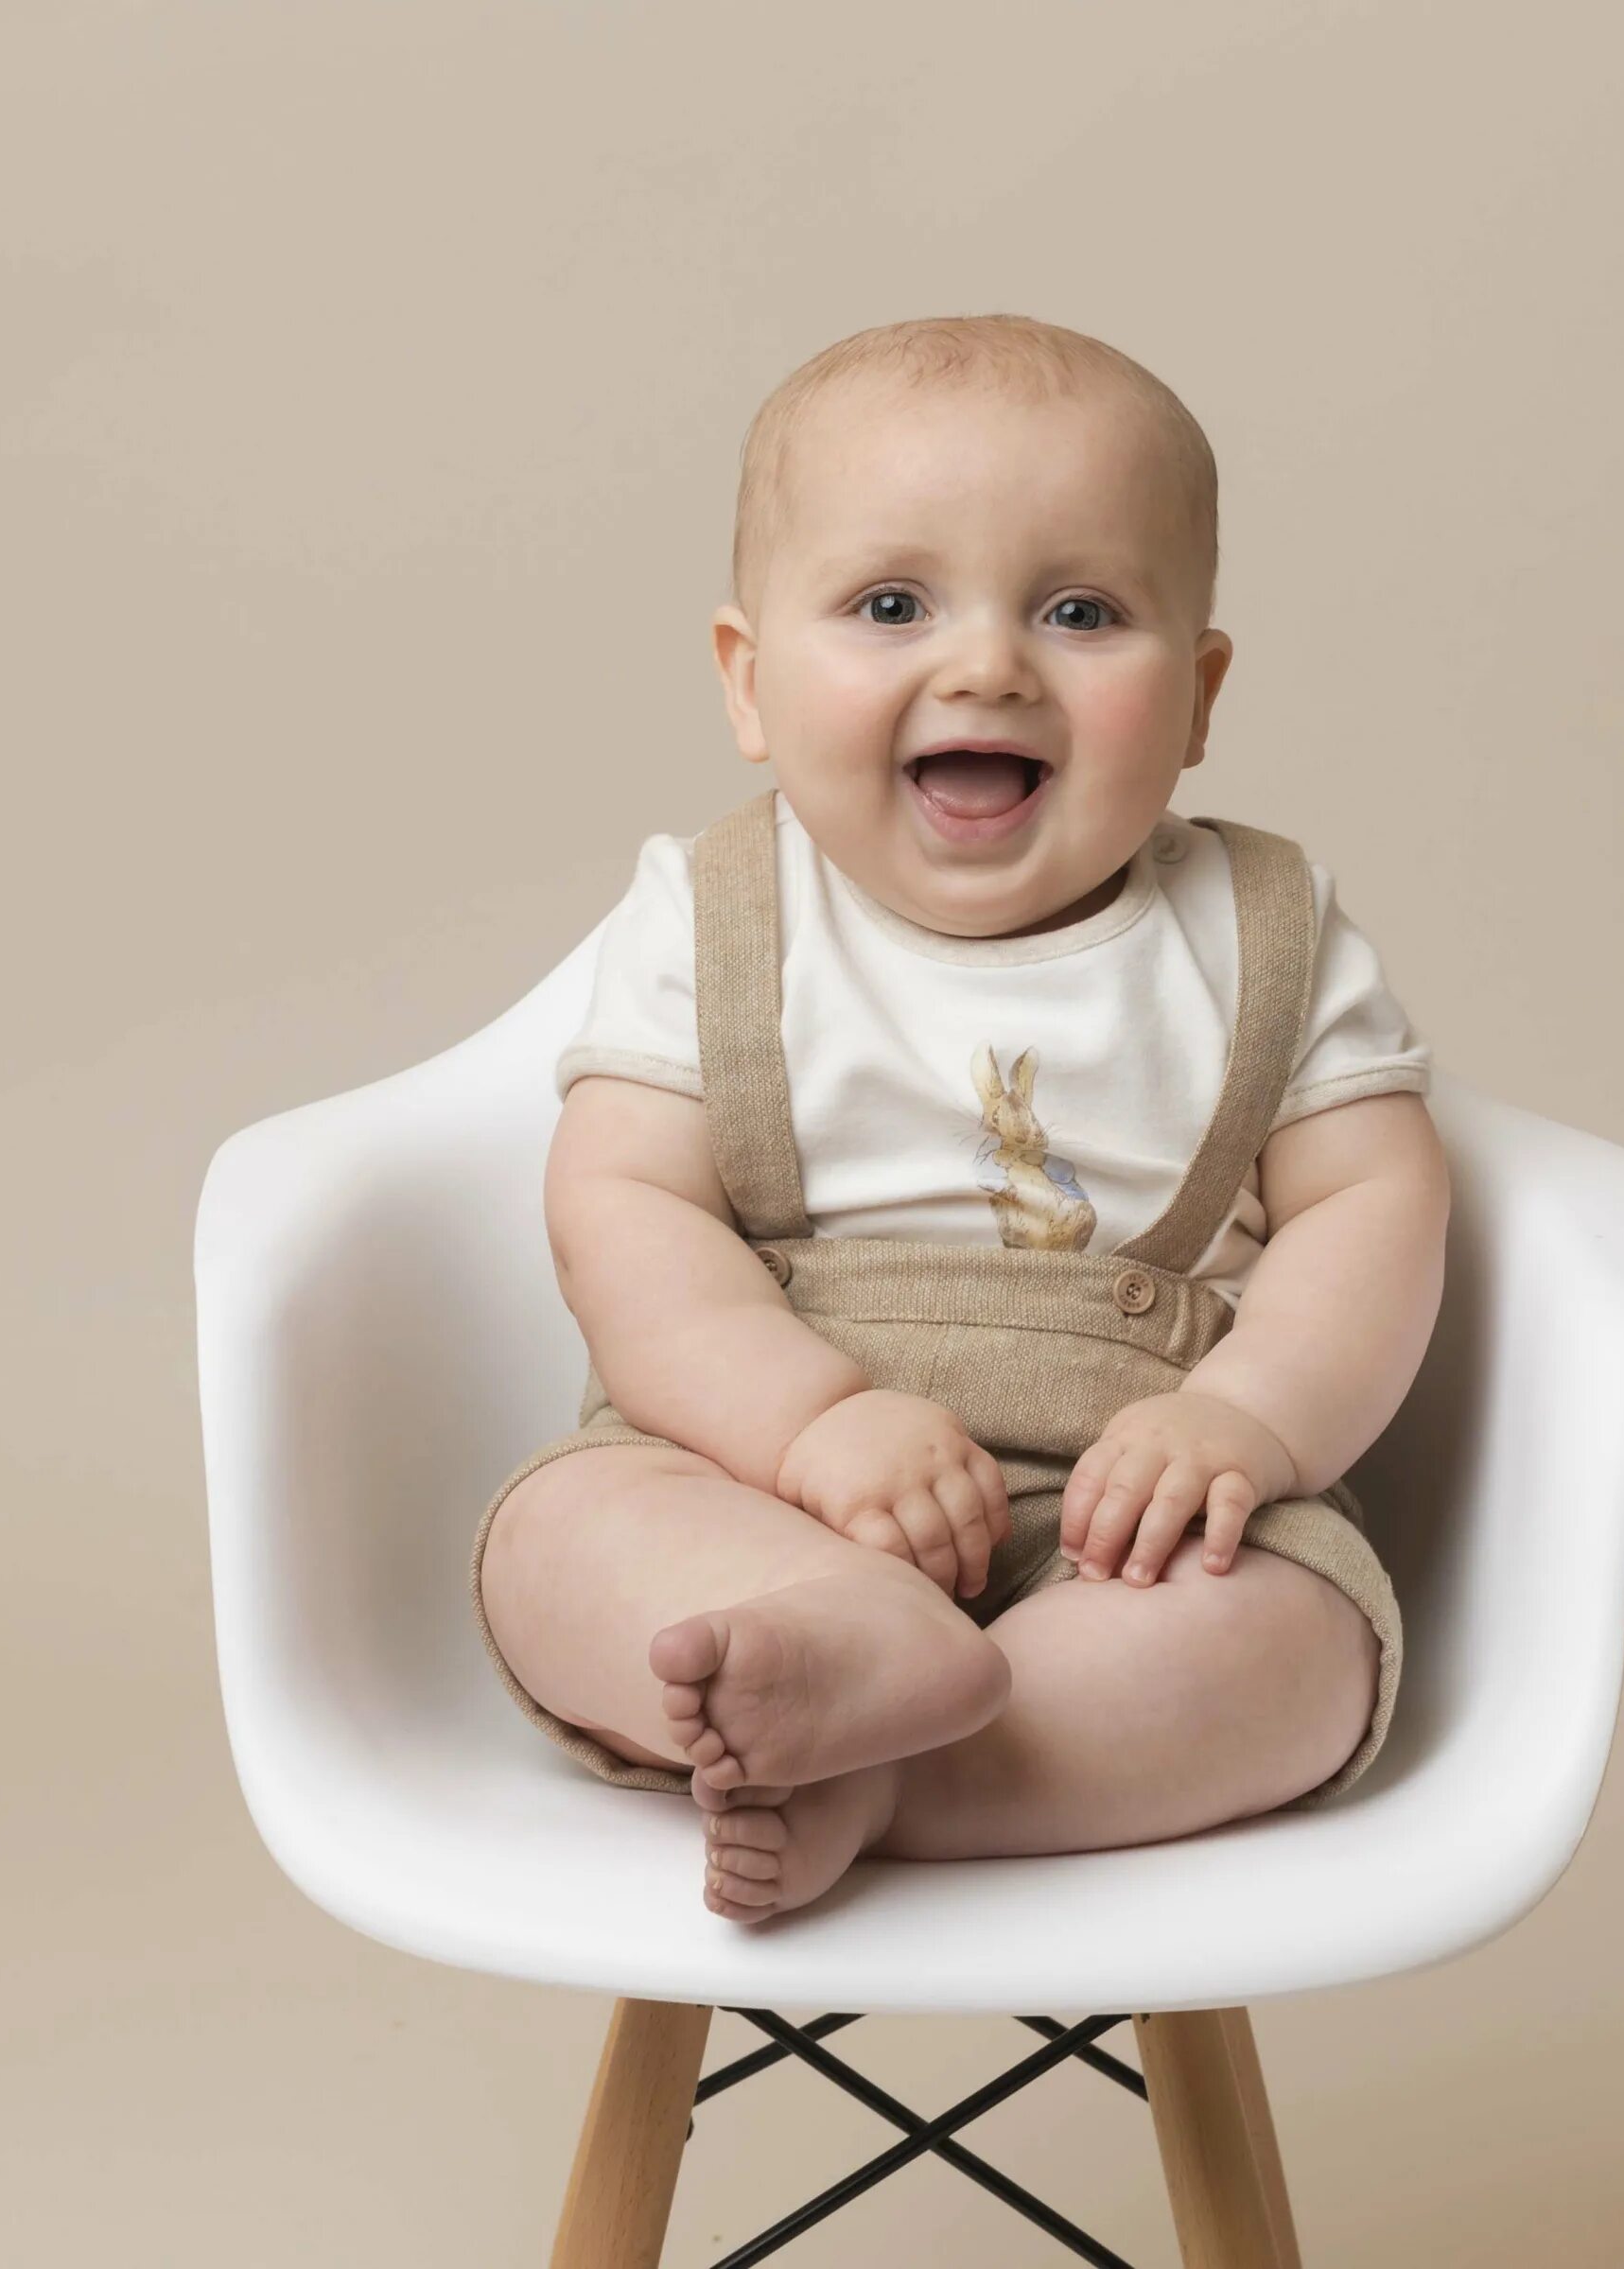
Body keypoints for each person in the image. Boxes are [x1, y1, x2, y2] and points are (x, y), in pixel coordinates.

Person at [471, 315, 1450, 1920]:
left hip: (1128, 1517)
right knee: (558, 1537)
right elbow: (624, 1212)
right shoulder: (718, 917)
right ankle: (825, 1657)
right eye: (890, 604)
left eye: (1080, 611)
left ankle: (895, 1770)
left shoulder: (1261, 929)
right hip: (763, 1490)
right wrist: (808, 1426)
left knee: (1295, 1640)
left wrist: (1246, 1422)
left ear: (1199, 695)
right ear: (750, 681)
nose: (987, 664)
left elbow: (1375, 1208)